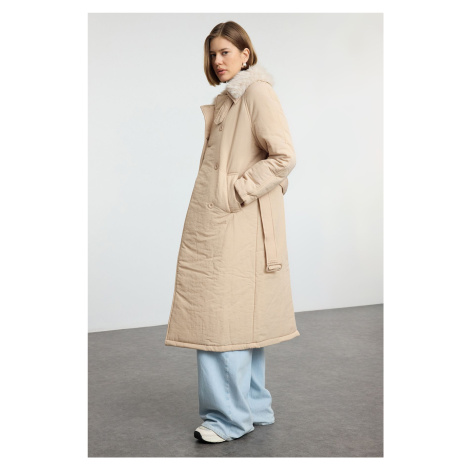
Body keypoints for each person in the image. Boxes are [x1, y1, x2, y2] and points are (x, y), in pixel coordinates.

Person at [164, 21, 300, 443]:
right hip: (228, 223)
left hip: (236, 223)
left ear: (245, 54)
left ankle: (227, 420)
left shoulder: (256, 93)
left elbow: (283, 156)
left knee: (219, 320)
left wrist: (236, 191)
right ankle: (255, 408)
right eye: (213, 54)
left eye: (225, 52)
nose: (218, 60)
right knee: (241, 318)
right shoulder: (228, 100)